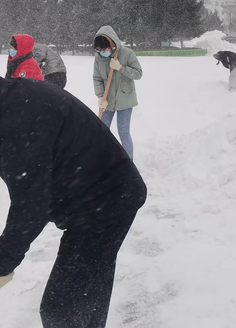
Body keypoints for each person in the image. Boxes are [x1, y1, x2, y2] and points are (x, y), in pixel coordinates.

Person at [0, 75, 147, 327]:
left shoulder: (16, 120)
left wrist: (4, 262)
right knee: (86, 296)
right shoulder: (13, 97)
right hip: (104, 194)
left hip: (106, 202)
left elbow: (31, 203)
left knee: (61, 309)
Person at [93, 26, 143, 160]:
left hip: (125, 100)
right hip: (106, 100)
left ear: (112, 44)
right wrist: (100, 96)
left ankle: (129, 162)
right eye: (99, 50)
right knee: (102, 131)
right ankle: (103, 160)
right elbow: (97, 78)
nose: (101, 52)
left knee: (123, 133)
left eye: (104, 49)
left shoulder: (127, 53)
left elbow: (138, 74)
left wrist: (121, 68)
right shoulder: (99, 57)